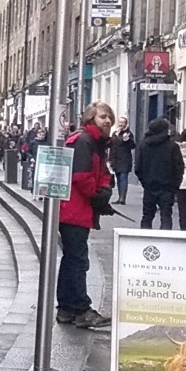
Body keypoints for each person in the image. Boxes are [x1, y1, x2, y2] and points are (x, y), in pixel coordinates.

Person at [55, 102, 117, 329]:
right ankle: (80, 309)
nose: (107, 121)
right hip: (74, 209)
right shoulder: (85, 141)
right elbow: (81, 176)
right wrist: (97, 196)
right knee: (78, 260)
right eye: (103, 117)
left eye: (109, 117)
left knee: (72, 258)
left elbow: (97, 173)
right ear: (91, 118)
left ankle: (67, 308)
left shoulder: (93, 142)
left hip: (74, 209)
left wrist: (101, 191)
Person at [135, 118, 183, 229]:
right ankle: (165, 241)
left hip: (149, 185)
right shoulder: (172, 146)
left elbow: (138, 167)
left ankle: (145, 239)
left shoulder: (143, 145)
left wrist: (144, 181)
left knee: (147, 216)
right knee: (166, 216)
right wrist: (175, 185)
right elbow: (178, 167)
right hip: (167, 186)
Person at [109, 122, 135, 203]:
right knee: (118, 178)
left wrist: (127, 140)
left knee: (123, 178)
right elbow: (112, 146)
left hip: (124, 160)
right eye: (120, 122)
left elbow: (133, 146)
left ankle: (122, 198)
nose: (120, 124)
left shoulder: (128, 134)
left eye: (123, 123)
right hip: (116, 160)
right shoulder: (115, 133)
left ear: (126, 124)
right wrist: (110, 159)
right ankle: (120, 197)